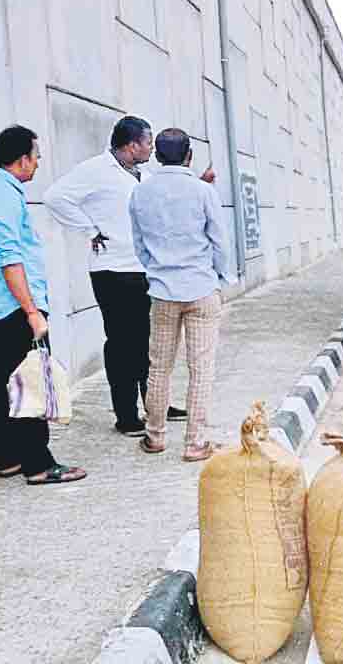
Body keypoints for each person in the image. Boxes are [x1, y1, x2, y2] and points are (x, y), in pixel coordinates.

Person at [44, 116, 188, 437]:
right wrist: (90, 230)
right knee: (123, 344)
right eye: (148, 142)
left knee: (148, 342)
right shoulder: (96, 170)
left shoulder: (144, 175)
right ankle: (126, 415)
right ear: (132, 144)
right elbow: (55, 197)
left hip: (143, 269)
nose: (151, 148)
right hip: (113, 271)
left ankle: (155, 404)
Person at [0, 125, 86, 485]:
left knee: (4, 378)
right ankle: (38, 464)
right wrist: (32, 312)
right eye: (36, 157)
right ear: (22, 160)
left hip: (1, 304)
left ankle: (7, 458)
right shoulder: (4, 195)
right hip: (16, 304)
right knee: (31, 379)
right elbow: (10, 258)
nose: (38, 163)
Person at [129, 129, 235, 462]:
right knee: (201, 368)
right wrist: (221, 276)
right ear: (189, 156)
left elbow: (139, 245)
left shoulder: (140, 192)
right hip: (201, 288)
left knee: (159, 367)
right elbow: (219, 241)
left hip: (163, 291)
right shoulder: (203, 192)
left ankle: (155, 436)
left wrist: (156, 269)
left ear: (158, 156)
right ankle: (195, 443)